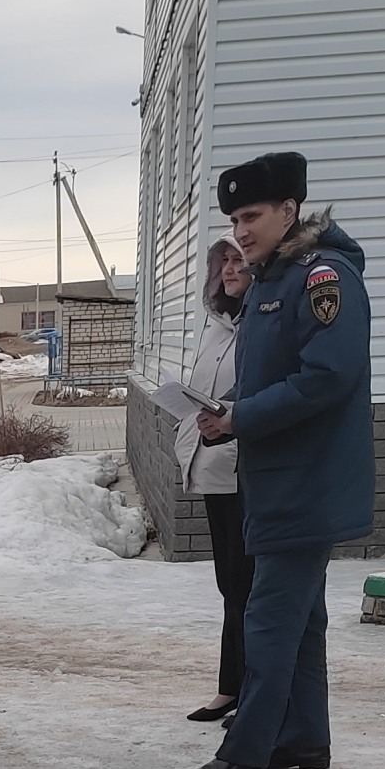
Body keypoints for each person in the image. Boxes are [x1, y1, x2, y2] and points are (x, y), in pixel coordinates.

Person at [180, 152, 372, 769]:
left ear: (290, 209)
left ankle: (245, 751)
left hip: (304, 480)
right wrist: (232, 413)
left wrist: (242, 418)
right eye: (233, 218)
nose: (241, 229)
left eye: (252, 215)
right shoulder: (272, 277)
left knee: (266, 619)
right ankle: (302, 738)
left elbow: (326, 376)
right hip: (275, 476)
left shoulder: (322, 277)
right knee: (302, 620)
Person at [175, 235, 253, 724]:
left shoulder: (261, 324)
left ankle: (254, 693)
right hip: (213, 464)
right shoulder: (217, 328)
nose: (228, 268)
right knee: (230, 582)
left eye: (238, 259)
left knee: (248, 584)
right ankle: (231, 686)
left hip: (248, 469)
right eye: (222, 260)